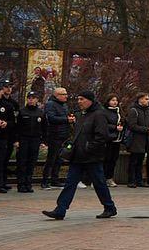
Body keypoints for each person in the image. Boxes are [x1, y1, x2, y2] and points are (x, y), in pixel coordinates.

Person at [41, 92, 118, 221]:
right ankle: (60, 209)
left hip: (92, 157)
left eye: (82, 99)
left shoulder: (99, 114)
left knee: (99, 183)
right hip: (78, 156)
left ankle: (109, 207)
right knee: (70, 183)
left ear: (90, 101)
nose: (79, 101)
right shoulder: (81, 114)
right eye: (78, 99)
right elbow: (78, 134)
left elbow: (102, 136)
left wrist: (89, 148)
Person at [14, 91, 44, 194]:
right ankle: (21, 184)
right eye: (29, 98)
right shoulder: (22, 112)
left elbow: (44, 128)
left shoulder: (40, 112)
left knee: (32, 162)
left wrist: (43, 141)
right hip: (23, 139)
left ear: (37, 100)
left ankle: (28, 183)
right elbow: (17, 128)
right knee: (22, 162)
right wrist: (16, 140)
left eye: (33, 98)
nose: (31, 100)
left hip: (35, 139)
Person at [42, 87, 71, 188]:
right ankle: (45, 180)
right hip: (54, 135)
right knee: (51, 158)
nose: (66, 96)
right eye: (64, 94)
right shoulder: (50, 104)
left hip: (63, 135)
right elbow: (51, 118)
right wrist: (66, 120)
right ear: (57, 95)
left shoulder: (64, 105)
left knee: (59, 159)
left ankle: (55, 179)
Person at [124, 93, 149, 187]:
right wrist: (146, 130)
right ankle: (131, 180)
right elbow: (132, 125)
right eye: (146, 99)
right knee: (133, 161)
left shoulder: (148, 111)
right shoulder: (134, 110)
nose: (148, 101)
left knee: (141, 161)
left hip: (145, 140)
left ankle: (139, 180)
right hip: (136, 140)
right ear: (140, 100)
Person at [101, 94, 124, 185]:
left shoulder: (119, 111)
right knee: (106, 159)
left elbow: (123, 121)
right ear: (108, 101)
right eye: (112, 100)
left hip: (117, 139)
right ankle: (101, 178)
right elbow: (103, 124)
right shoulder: (104, 112)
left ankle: (109, 177)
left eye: (116, 101)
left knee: (113, 160)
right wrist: (115, 127)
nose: (115, 102)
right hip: (108, 139)